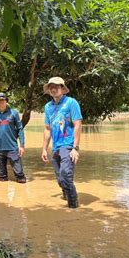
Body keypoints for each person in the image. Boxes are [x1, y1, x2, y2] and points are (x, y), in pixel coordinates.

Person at [41, 77, 82, 208]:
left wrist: (75, 148)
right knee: (60, 178)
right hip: (55, 147)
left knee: (65, 176)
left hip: (68, 145)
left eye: (57, 86)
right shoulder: (48, 107)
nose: (54, 88)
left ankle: (73, 206)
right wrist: (44, 149)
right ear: (49, 89)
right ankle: (66, 194)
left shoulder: (71, 103)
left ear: (62, 89)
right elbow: (47, 129)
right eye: (51, 86)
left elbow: (77, 124)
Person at [0, 92, 27, 183]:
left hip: (12, 148)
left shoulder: (14, 113)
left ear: (6, 101)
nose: (1, 102)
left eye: (3, 100)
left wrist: (22, 145)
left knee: (20, 177)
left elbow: (20, 129)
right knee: (2, 178)